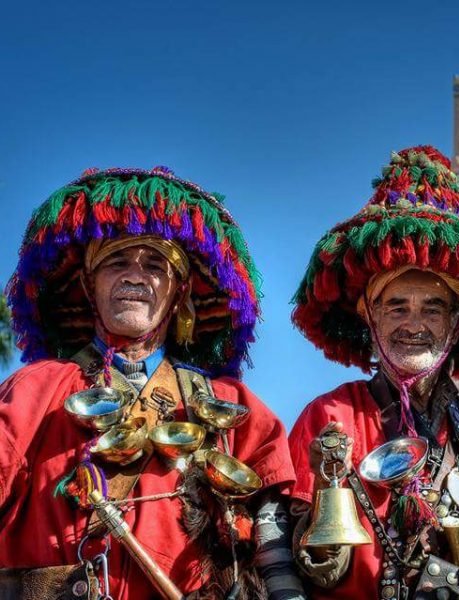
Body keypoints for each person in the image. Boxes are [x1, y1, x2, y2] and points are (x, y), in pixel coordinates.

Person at [0, 167, 305, 600]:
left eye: (155, 265)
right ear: (90, 285)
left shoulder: (231, 405)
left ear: (178, 292)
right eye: (117, 261)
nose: (135, 276)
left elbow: (274, 540)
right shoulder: (36, 390)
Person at [288, 146, 459, 599]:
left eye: (433, 309)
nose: (414, 324)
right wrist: (321, 491)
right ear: (369, 315)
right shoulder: (330, 417)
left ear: (456, 323)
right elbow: (290, 558)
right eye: (396, 306)